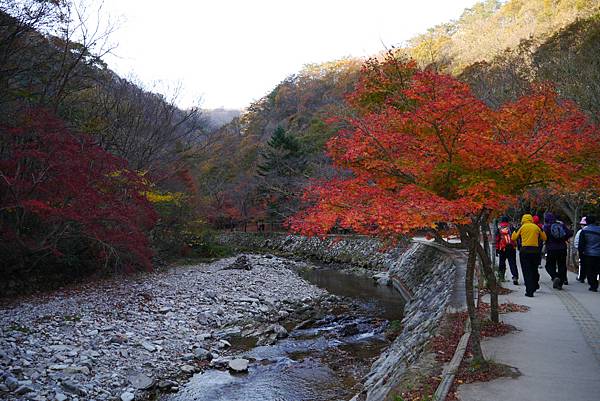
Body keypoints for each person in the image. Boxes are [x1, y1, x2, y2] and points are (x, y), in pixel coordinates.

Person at [512, 214, 547, 297]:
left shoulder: (522, 227)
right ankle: (535, 285)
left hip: (524, 251)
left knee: (526, 271)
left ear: (523, 219)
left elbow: (513, 237)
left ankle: (529, 291)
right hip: (535, 251)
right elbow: (545, 237)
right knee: (534, 269)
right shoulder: (536, 227)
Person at [543, 212, 573, 289]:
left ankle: (555, 276)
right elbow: (569, 233)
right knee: (562, 265)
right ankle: (560, 283)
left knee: (549, 265)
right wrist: (564, 238)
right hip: (562, 248)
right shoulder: (561, 225)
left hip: (551, 249)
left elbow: (543, 237)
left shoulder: (546, 227)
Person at [578, 215, 600, 292]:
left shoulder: (584, 231)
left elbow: (581, 244)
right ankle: (595, 282)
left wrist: (581, 253)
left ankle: (593, 285)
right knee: (596, 269)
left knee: (590, 270)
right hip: (598, 253)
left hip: (588, 253)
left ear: (586, 222)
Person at [495, 216, 518, 284]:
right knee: (512, 263)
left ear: (501, 221)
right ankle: (515, 277)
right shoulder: (511, 228)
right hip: (511, 248)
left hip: (502, 248)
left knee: (502, 263)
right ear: (508, 221)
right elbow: (515, 237)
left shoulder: (499, 229)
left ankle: (501, 277)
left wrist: (497, 249)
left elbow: (497, 240)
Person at [574, 216, 587, 283]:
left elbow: (576, 241)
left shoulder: (580, 232)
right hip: (594, 251)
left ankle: (582, 277)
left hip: (582, 250)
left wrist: (577, 248)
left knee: (582, 264)